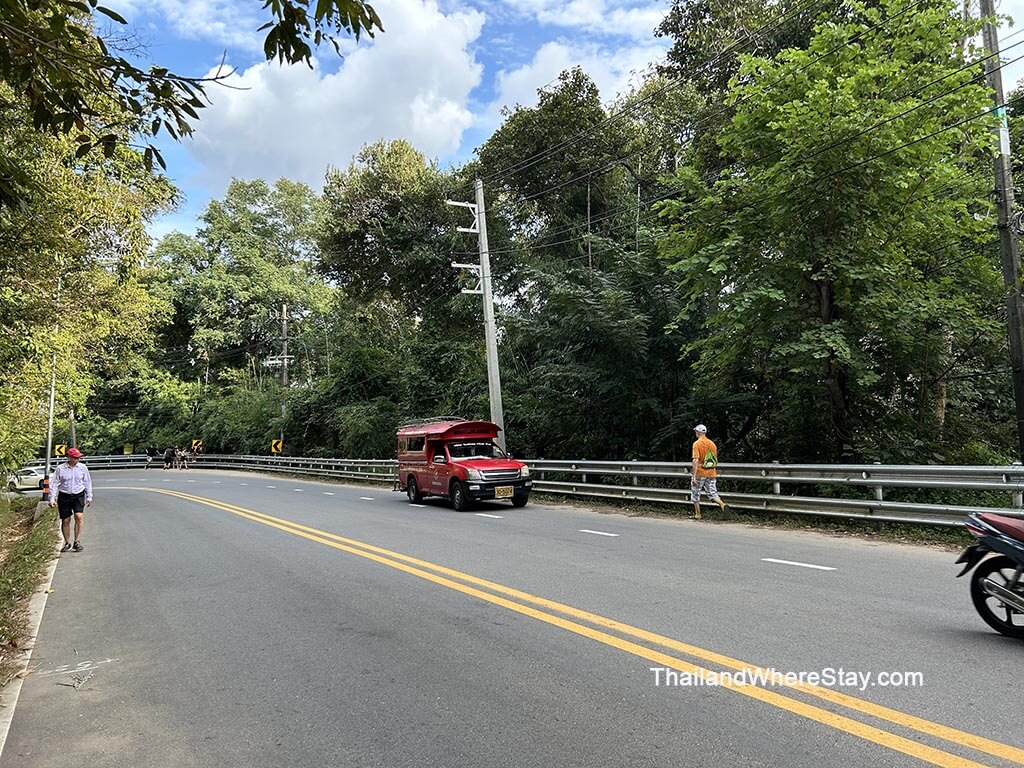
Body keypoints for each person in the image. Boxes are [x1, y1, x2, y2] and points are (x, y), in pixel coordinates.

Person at [48, 447, 92, 552]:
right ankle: (67, 542)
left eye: (78, 458)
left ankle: (77, 541)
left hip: (78, 494)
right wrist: (52, 498)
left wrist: (89, 496)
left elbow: (87, 482)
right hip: (64, 495)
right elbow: (54, 483)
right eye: (75, 458)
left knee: (79, 516)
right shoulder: (61, 468)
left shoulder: (82, 467)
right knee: (66, 520)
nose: (77, 460)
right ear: (69, 457)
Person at [690, 424, 726, 520]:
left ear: (698, 432)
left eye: (696, 431)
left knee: (695, 492)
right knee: (712, 492)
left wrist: (693, 476)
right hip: (712, 472)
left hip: (700, 472)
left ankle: (698, 514)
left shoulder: (697, 444)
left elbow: (695, 460)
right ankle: (722, 504)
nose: (695, 433)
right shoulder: (712, 444)